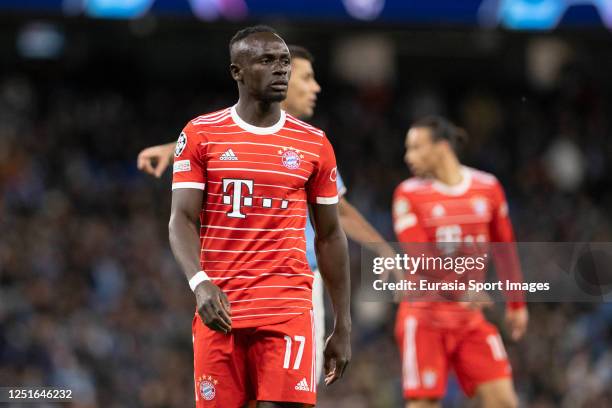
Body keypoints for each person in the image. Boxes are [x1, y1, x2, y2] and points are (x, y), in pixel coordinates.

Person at [140, 44, 396, 382]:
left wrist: (381, 247)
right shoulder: (234, 134)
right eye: (305, 77)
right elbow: (222, 144)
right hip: (240, 282)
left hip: (292, 290)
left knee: (287, 390)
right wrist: (173, 149)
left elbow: (338, 214)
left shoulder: (307, 146)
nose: (314, 87)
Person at [168, 26, 351, 407]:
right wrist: (199, 282)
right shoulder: (201, 134)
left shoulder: (314, 143)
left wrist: (342, 323)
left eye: (284, 61)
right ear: (237, 71)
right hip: (221, 311)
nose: (281, 69)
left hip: (287, 311)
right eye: (267, 61)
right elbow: (181, 220)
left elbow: (331, 235)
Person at [392, 116, 529, 408]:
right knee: (423, 404)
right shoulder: (408, 194)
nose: (408, 156)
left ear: (442, 147)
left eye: (416, 147)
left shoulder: (487, 187)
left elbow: (504, 248)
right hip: (424, 318)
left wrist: (516, 304)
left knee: (504, 402)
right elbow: (420, 257)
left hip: (468, 321)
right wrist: (461, 289)